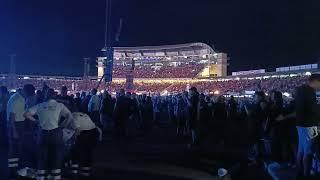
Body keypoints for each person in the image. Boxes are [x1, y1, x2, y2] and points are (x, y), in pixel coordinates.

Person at [24, 88, 74, 180]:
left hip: (42, 133)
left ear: (45, 96)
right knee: (56, 157)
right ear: (55, 96)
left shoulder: (40, 105)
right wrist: (63, 125)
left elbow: (26, 114)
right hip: (55, 133)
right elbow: (69, 116)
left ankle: (41, 177)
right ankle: (55, 177)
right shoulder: (60, 105)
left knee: (42, 157)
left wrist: (36, 121)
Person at [293, 74, 320, 178]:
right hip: (311, 126)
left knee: (301, 150)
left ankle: (299, 173)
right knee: (308, 152)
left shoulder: (300, 90)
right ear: (316, 81)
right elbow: (314, 110)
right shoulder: (310, 91)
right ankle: (306, 175)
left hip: (300, 125)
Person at [70, 112, 102, 179]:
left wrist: (72, 140)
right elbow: (98, 129)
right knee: (88, 154)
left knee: (75, 152)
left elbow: (77, 131)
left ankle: (74, 174)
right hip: (94, 133)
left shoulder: (73, 117)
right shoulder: (81, 114)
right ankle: (86, 174)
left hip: (86, 134)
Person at [6, 89, 26, 178]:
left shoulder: (16, 97)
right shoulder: (18, 99)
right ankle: (13, 172)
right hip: (16, 125)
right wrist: (14, 131)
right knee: (14, 149)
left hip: (16, 125)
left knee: (15, 149)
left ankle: (14, 170)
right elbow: (11, 116)